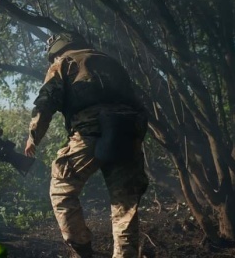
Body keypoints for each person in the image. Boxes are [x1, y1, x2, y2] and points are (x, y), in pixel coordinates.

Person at [24, 31, 149, 258]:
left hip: (91, 131)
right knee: (125, 207)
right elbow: (138, 102)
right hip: (127, 131)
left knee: (62, 190)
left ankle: (82, 249)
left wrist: (33, 138)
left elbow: (45, 103)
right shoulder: (110, 62)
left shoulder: (64, 63)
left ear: (55, 50)